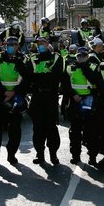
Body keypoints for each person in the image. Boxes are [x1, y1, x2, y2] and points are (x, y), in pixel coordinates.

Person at [0, 37, 32, 166]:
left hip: (16, 98)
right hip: (1, 97)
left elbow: (27, 79)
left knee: (15, 130)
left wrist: (15, 92)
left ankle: (11, 155)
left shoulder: (24, 59)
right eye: (9, 44)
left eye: (14, 44)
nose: (11, 46)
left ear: (18, 46)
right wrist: (3, 92)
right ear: (5, 45)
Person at [63, 45, 103, 165]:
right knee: (74, 132)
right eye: (79, 56)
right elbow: (65, 85)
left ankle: (92, 157)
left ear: (87, 56)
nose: (81, 58)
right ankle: (75, 156)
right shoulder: (70, 67)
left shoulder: (94, 67)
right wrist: (73, 95)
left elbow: (97, 82)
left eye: (84, 56)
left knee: (92, 132)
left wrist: (85, 67)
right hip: (75, 102)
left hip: (90, 102)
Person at [28, 37, 63, 165]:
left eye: (42, 43)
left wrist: (39, 77)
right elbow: (30, 76)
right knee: (38, 128)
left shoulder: (57, 57)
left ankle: (53, 154)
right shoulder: (32, 58)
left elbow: (56, 76)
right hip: (37, 96)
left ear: (47, 44)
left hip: (51, 96)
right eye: (38, 44)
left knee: (51, 127)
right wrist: (44, 77)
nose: (40, 45)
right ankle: (40, 154)